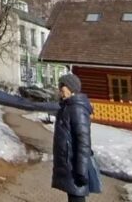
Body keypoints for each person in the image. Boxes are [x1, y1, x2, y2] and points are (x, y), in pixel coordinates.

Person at [52, 73, 93, 202]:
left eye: (62, 87)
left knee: (77, 197)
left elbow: (83, 142)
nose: (60, 90)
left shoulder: (77, 109)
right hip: (70, 164)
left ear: (71, 88)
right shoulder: (68, 106)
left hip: (75, 167)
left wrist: (81, 171)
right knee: (73, 196)